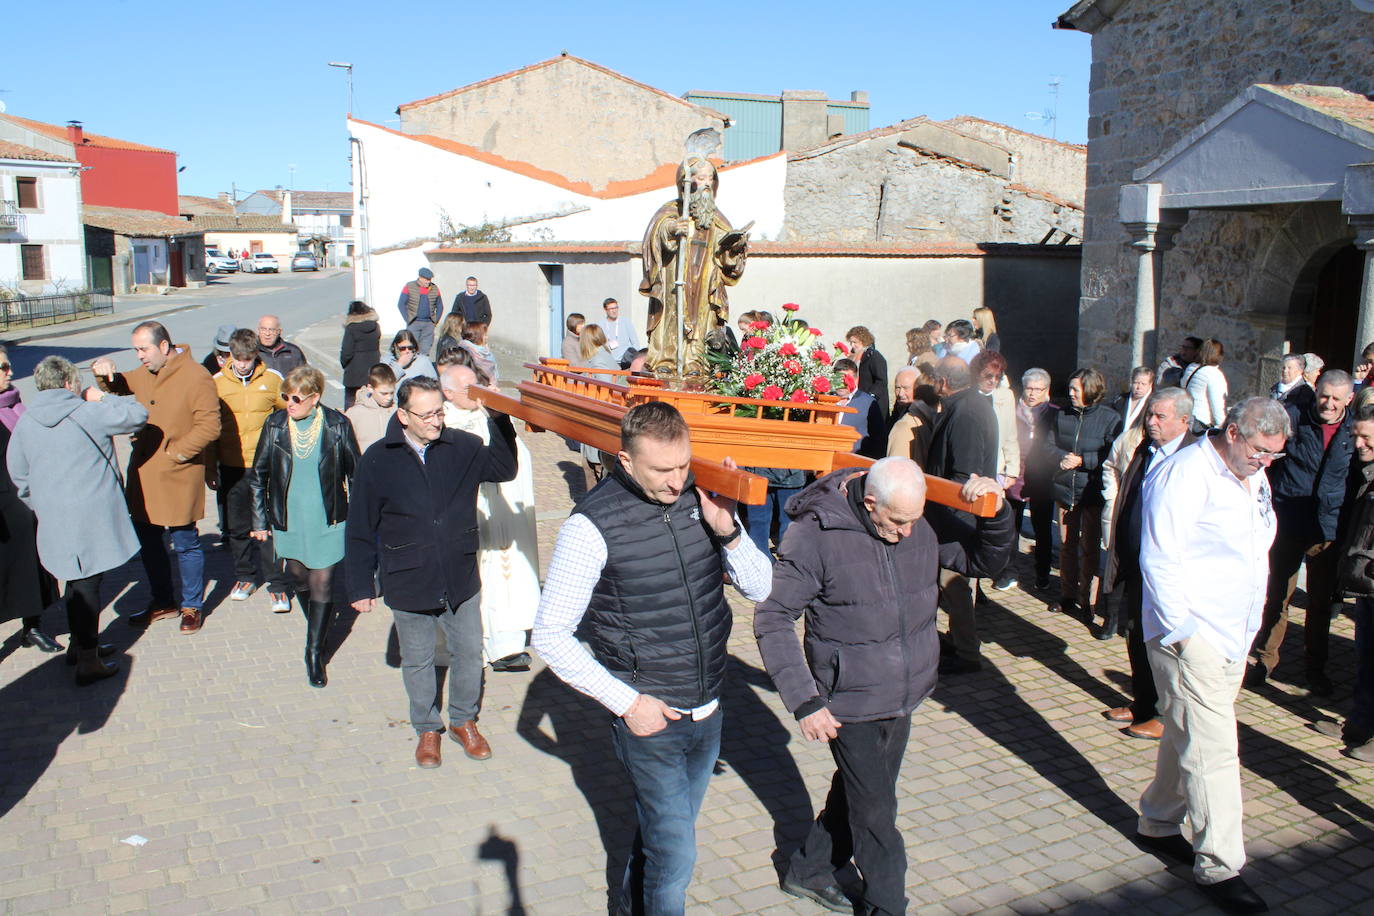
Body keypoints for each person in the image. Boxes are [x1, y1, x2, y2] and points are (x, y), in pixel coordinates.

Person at [532, 402, 771, 915]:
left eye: (683, 465)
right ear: (624, 460)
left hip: (708, 710)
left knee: (662, 840)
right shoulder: (591, 526)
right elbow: (550, 635)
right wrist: (627, 703)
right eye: (662, 470)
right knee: (677, 859)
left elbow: (761, 587)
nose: (675, 480)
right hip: (651, 721)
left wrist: (728, 529)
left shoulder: (702, 500)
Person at [755, 458, 1013, 916]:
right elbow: (773, 617)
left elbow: (982, 560)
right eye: (898, 522)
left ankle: (808, 869)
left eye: (914, 520)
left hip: (903, 692)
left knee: (861, 793)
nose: (909, 532)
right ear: (869, 501)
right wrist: (804, 700)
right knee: (876, 814)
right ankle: (886, 905)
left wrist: (998, 512)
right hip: (847, 701)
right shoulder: (817, 535)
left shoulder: (918, 517)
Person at [1135, 397, 1289, 915]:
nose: (1265, 462)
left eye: (1274, 455)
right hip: (1190, 637)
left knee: (1188, 732)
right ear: (1231, 431)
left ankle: (1158, 820)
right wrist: (1183, 633)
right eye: (1260, 450)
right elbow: (1159, 556)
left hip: (1232, 633)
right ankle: (1220, 864)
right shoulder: (1184, 475)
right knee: (1215, 751)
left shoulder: (1255, 476)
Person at [345, 376, 518, 767]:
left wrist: (499, 419)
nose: (436, 421)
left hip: (459, 574)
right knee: (419, 659)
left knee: (469, 652)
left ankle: (463, 721)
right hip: (408, 576)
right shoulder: (377, 459)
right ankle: (427, 728)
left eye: (439, 411)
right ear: (403, 415)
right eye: (426, 415)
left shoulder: (462, 446)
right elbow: (359, 528)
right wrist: (359, 584)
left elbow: (504, 469)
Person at [8, 356, 148, 683]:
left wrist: (38, 502)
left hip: (54, 515)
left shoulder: (27, 422)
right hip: (92, 514)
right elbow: (138, 415)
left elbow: (18, 472)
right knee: (87, 584)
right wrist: (102, 395)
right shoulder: (88, 412)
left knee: (75, 580)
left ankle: (81, 646)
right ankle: (88, 658)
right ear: (70, 383)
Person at [91, 321, 220, 633]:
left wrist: (176, 453)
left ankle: (192, 605)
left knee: (185, 541)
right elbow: (118, 384)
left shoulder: (196, 376)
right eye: (136, 350)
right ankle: (163, 601)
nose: (139, 356)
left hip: (178, 473)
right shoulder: (148, 371)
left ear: (163, 347)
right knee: (148, 541)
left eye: (143, 349)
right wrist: (102, 369)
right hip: (145, 474)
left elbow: (210, 426)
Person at [1247, 370, 1355, 695]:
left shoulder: (1355, 431)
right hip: (1290, 521)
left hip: (1328, 528)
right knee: (1278, 596)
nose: (1329, 403)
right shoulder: (1293, 419)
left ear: (1349, 399)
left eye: (1337, 398)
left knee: (1320, 605)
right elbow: (1271, 462)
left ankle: (1315, 668)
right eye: (1324, 395)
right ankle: (1265, 660)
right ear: (1316, 390)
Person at [251, 367, 360, 687]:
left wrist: (359, 521)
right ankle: (318, 625)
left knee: (322, 583)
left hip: (327, 517)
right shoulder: (274, 425)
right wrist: (259, 521)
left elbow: (357, 474)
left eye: (296, 398)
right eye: (285, 396)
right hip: (289, 517)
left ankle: (314, 652)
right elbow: (258, 476)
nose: (289, 403)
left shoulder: (337, 425)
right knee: (298, 577)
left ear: (315, 398)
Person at [1098, 388, 1196, 738]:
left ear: (1184, 421)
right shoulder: (1146, 449)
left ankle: (1164, 714)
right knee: (1136, 633)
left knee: (1163, 642)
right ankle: (1142, 702)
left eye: (1160, 417)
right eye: (1150, 415)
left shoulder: (1195, 458)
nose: (1151, 422)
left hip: (1171, 570)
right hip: (1137, 561)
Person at [440, 365, 540, 672]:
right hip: (468, 519)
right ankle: (470, 649)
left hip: (500, 519)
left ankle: (506, 646)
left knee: (505, 579)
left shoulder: (489, 417)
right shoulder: (441, 423)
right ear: (448, 393)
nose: (477, 393)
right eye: (468, 389)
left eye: (477, 385)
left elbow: (516, 460)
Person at [925, 355, 1001, 674]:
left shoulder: (966, 413)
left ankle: (968, 652)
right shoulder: (969, 405)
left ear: (943, 383)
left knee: (953, 583)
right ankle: (958, 639)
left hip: (959, 517)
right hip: (956, 515)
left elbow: (964, 474)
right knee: (953, 585)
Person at [640, 157, 748, 380]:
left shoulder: (716, 216)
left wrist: (734, 248)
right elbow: (654, 235)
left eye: (710, 178)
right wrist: (670, 229)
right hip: (674, 278)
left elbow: (725, 254)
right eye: (701, 178)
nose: (706, 183)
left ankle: (696, 362)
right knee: (673, 315)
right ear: (686, 183)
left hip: (705, 278)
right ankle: (666, 359)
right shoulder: (672, 210)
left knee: (701, 321)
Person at [212, 329, 289, 609]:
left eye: (247, 358)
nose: (242, 364)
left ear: (256, 355)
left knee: (267, 526)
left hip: (264, 467)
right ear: (229, 356)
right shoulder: (217, 383)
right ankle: (245, 576)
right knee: (237, 527)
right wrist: (210, 467)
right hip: (232, 466)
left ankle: (277, 584)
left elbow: (288, 409)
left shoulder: (271, 379)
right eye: (237, 358)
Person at [1314, 401, 1374, 761]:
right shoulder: (1364, 472)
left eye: (1366, 438)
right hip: (1366, 583)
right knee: (1366, 658)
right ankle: (1360, 723)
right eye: (1356, 438)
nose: (1359, 445)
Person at [1042, 368, 1122, 618]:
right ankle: (1067, 594)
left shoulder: (1110, 419)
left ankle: (1087, 599)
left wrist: (1082, 460)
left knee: (1089, 548)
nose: (1071, 393)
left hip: (1092, 492)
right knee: (1067, 545)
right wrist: (1061, 457)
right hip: (1066, 489)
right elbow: (1047, 445)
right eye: (1070, 389)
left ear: (1090, 390)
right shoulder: (1061, 415)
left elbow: (1111, 455)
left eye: (1076, 389)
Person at [0, 346, 62, 653]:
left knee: (31, 569)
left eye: (8, 365)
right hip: (1, 509)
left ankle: (32, 627)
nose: (10, 372)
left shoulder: (16, 406)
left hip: (26, 504)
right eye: (3, 368)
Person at [974, 351, 1021, 590]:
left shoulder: (1005, 396)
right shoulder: (968, 396)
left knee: (1000, 521)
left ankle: (1005, 570)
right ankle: (976, 582)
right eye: (987, 375)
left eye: (997, 376)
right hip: (973, 468)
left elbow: (1011, 434)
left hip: (996, 467)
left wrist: (1012, 469)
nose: (992, 380)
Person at [1014, 368, 1059, 590]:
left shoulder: (1054, 414)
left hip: (1042, 478)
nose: (1032, 393)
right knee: (1011, 527)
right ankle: (1008, 571)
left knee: (1042, 529)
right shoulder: (1013, 411)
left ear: (1046, 390)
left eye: (1037, 389)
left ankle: (1042, 573)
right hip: (1015, 475)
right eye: (1028, 388)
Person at [578, 323, 620, 492]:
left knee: (594, 466)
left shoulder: (599, 360)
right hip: (598, 420)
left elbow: (604, 392)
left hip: (598, 420)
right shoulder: (604, 357)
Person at [887, 365, 938, 468]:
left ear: (917, 388)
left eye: (906, 388)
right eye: (897, 388)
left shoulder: (908, 423)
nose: (901, 393)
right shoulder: (899, 410)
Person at [834, 358, 883, 458]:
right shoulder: (825, 400)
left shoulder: (868, 403)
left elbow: (879, 440)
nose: (843, 384)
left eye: (847, 379)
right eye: (839, 379)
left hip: (855, 465)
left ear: (856, 379)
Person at [345, 364, 398, 453]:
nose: (389, 398)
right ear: (370, 388)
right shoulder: (355, 413)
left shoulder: (397, 411)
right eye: (384, 393)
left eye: (391, 393)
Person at [339, 301, 380, 409]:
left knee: (351, 401)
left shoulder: (351, 328)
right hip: (372, 371)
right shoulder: (375, 326)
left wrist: (345, 365)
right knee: (371, 401)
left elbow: (346, 352)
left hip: (354, 373)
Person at [846, 325, 890, 428]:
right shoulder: (853, 356)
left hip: (871, 403)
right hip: (856, 399)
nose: (852, 345)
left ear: (863, 341)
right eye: (851, 342)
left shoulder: (874, 356)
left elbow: (881, 381)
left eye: (855, 342)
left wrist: (869, 397)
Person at [1182, 338, 1227, 430]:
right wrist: (1223, 428)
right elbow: (1217, 405)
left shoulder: (1190, 367)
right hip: (1200, 423)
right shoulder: (1213, 373)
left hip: (1186, 418)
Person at [398, 267, 443, 355]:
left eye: (429, 279)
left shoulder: (435, 288)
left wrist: (435, 321)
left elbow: (440, 306)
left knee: (425, 350)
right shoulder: (409, 286)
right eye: (426, 279)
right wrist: (408, 319)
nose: (428, 281)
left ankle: (423, 367)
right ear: (420, 277)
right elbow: (401, 304)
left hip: (429, 324)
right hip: (414, 323)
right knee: (411, 349)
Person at [1112, 366, 1155, 431]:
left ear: (1150, 384)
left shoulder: (1153, 403)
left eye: (1143, 384)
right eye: (1136, 383)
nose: (1139, 387)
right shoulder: (1120, 400)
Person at [601, 297, 641, 367]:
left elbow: (636, 344)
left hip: (625, 362)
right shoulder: (601, 324)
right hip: (608, 363)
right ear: (605, 309)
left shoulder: (626, 322)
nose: (614, 311)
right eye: (611, 309)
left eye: (616, 308)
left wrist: (630, 357)